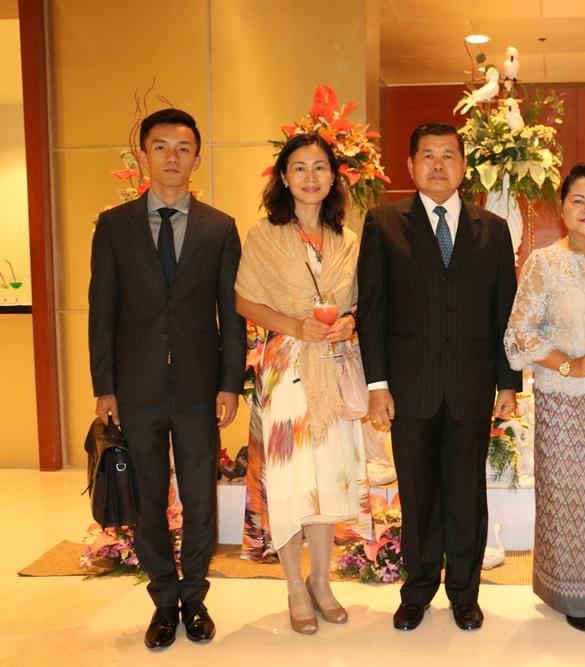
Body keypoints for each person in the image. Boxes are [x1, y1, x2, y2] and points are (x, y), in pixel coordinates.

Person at [88, 108, 245, 649]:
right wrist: (105, 387)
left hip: (200, 388)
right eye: (161, 146)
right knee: (147, 498)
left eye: (183, 148)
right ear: (143, 156)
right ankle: (162, 600)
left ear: (197, 158)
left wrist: (230, 383)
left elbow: (231, 314)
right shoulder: (114, 226)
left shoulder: (219, 228)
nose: (172, 157)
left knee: (200, 497)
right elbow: (102, 312)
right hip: (137, 388)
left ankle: (194, 598)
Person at [357, 122, 521, 632]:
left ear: (464, 166)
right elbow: (372, 311)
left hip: (471, 384)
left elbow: (505, 310)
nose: (438, 165)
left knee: (467, 495)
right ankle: (418, 591)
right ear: (410, 165)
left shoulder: (492, 229)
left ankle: (465, 595)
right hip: (410, 387)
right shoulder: (383, 223)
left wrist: (508, 383)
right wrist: (378, 385)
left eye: (448, 155)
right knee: (418, 494)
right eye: (427, 155)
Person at [235, 133, 373, 633]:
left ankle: (322, 581)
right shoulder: (264, 236)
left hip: (333, 368)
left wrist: (349, 322)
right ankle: (294, 584)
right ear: (284, 177)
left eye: (320, 167)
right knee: (292, 481)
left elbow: (359, 301)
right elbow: (244, 300)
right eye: (299, 167)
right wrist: (295, 326)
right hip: (285, 370)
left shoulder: (347, 240)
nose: (310, 177)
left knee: (327, 479)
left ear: (333, 177)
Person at [504, 163, 585, 632]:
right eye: (578, 200)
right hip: (564, 402)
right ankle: (569, 596)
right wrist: (567, 364)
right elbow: (521, 331)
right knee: (566, 501)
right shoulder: (544, 263)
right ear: (561, 209)